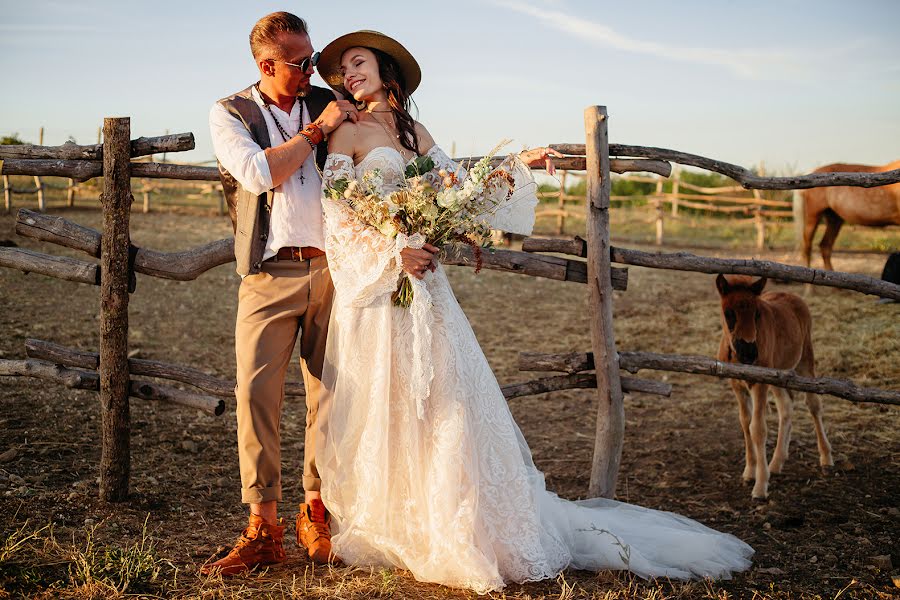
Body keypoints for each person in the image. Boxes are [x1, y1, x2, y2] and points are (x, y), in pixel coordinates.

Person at [314, 30, 755, 593]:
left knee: (447, 400)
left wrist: (512, 165)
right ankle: (402, 521)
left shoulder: (413, 131)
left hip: (427, 283)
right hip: (381, 286)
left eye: (359, 63)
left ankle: (462, 520)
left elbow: (454, 186)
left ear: (386, 72)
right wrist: (393, 251)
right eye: (341, 70)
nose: (348, 74)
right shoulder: (344, 131)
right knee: (396, 400)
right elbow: (340, 213)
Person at [201, 12, 359, 576]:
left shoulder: (329, 100)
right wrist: (316, 132)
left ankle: (315, 508)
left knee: (332, 394)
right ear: (266, 65)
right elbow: (257, 174)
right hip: (268, 275)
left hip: (336, 271)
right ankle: (262, 525)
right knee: (256, 396)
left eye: (313, 58)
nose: (311, 69)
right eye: (300, 62)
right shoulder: (229, 113)